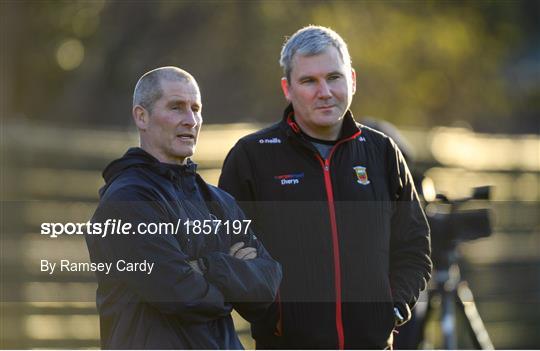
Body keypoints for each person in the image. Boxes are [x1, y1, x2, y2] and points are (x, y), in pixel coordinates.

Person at [219, 26, 432, 349]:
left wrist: (393, 307)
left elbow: (414, 247)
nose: (325, 91)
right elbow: (227, 253)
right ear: (287, 88)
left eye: (334, 77)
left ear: (353, 80)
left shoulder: (383, 152)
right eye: (309, 81)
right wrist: (273, 316)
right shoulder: (252, 156)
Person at [86, 66, 282, 349]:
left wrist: (208, 266)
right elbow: (180, 295)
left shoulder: (218, 201)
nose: (190, 120)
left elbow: (266, 288)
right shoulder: (127, 201)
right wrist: (235, 273)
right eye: (176, 107)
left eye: (196, 108)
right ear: (142, 116)